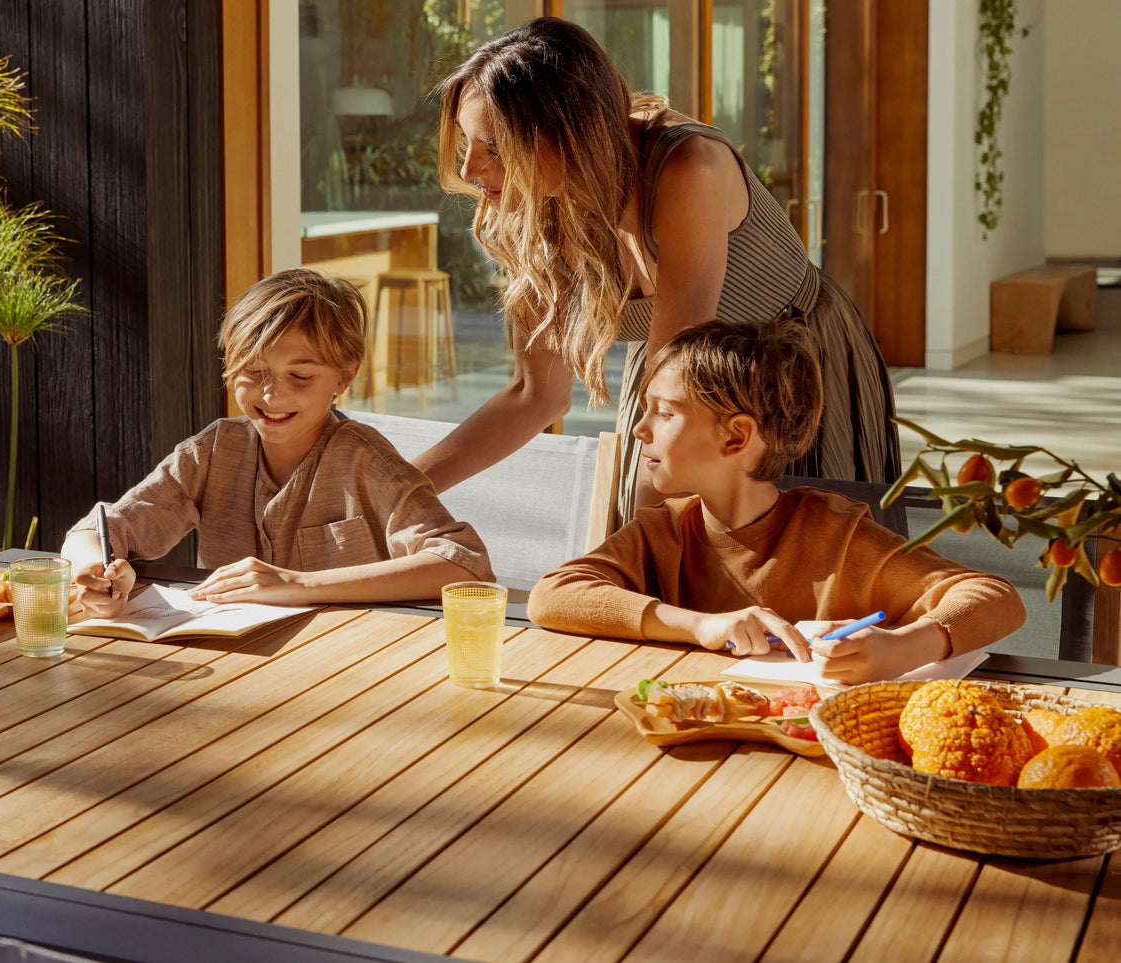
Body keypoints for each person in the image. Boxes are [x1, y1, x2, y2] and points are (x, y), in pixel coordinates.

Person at [415, 17, 899, 518]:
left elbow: (680, 397)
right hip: (667, 388)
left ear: (572, 133)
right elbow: (534, 395)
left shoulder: (690, 168)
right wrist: (401, 489)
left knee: (807, 569)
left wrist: (631, 543)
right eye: (466, 143)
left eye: (494, 148)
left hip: (789, 378)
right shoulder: (536, 204)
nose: (470, 170)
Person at [525, 318, 1024, 684]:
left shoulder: (838, 537)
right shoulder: (665, 530)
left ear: (737, 438)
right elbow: (551, 596)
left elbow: (997, 598)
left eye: (665, 413)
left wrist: (906, 647)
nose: (639, 428)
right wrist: (703, 626)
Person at [63, 268, 493, 616]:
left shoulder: (364, 458)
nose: (272, 395)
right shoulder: (213, 452)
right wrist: (94, 572)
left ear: (345, 375)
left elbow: (466, 565)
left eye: (301, 376)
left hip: (352, 665)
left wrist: (296, 584)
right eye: (252, 371)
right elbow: (96, 529)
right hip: (235, 668)